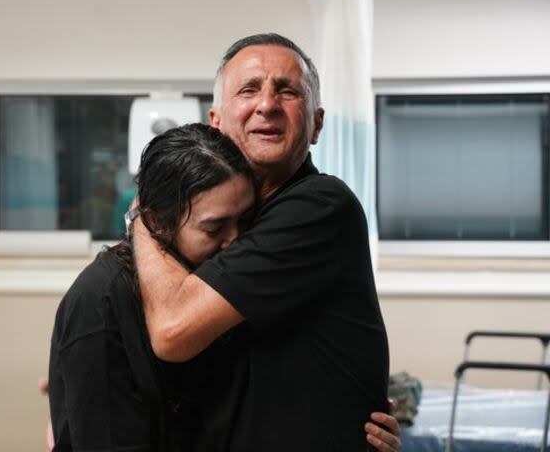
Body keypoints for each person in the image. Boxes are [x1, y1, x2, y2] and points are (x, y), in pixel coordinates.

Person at [48, 123, 400, 451]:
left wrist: (346, 419)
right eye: (214, 229)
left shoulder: (213, 283)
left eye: (245, 221)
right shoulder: (102, 300)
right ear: (158, 222)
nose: (235, 240)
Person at [130, 33, 397, 451]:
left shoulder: (319, 207)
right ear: (215, 123)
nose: (267, 104)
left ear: (317, 125)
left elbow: (172, 331)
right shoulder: (225, 223)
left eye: (287, 91)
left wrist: (141, 219)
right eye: (249, 89)